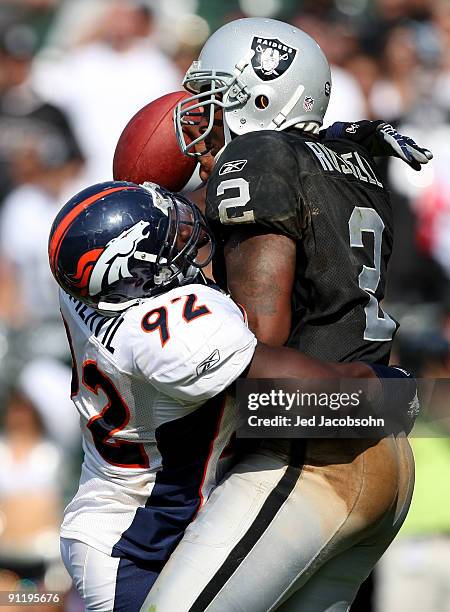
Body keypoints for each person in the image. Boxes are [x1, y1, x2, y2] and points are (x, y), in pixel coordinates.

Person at [142, 18, 427, 611]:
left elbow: (257, 338)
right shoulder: (355, 158)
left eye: (216, 98)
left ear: (263, 96)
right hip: (380, 450)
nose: (202, 118)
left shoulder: (257, 154)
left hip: (307, 452)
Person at [49, 180, 415, 611]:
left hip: (135, 508)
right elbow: (315, 388)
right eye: (170, 238)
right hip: (136, 541)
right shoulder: (171, 337)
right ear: (139, 270)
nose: (187, 232)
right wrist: (393, 387)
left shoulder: (87, 287)